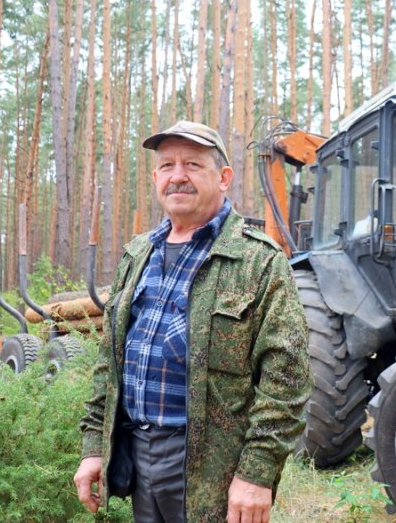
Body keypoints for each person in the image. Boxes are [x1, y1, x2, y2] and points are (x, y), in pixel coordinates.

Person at [73, 120, 312, 523]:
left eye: (192, 165)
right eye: (167, 166)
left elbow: (286, 378)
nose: (178, 176)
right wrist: (95, 445)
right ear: (155, 177)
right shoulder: (137, 256)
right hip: (136, 454)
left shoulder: (258, 261)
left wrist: (256, 473)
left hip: (212, 466)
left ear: (223, 179)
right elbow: (109, 364)